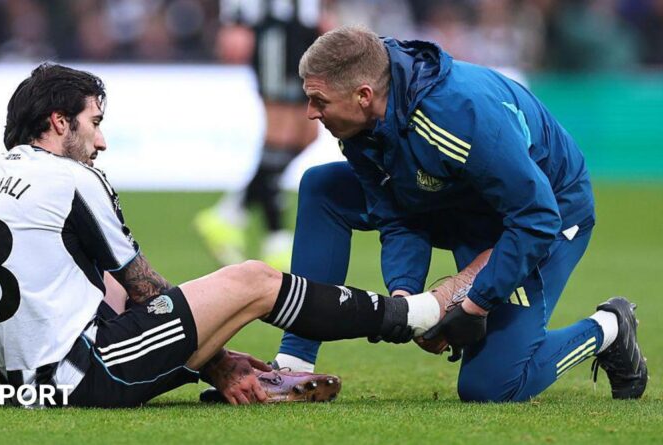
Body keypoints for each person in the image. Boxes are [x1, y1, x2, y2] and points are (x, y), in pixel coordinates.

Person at [0, 62, 486, 408]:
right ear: (58, 123)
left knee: (105, 287)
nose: (100, 142)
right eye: (95, 124)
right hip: (78, 378)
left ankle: (236, 371)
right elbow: (151, 291)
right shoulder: (72, 178)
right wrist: (216, 352)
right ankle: (413, 315)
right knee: (249, 280)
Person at [273, 25, 647, 401]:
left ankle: (610, 328)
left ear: (364, 95)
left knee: (490, 386)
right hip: (459, 200)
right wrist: (407, 302)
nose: (310, 112)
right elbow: (396, 212)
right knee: (324, 187)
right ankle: (295, 365)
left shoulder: (456, 117)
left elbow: (536, 216)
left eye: (319, 101)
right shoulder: (362, 112)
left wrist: (474, 304)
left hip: (546, 213)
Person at [193, 0, 333, 271]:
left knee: (307, 134)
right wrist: (234, 20)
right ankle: (276, 239)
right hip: (274, 30)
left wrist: (319, 14)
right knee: (279, 134)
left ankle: (230, 213)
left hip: (304, 30)